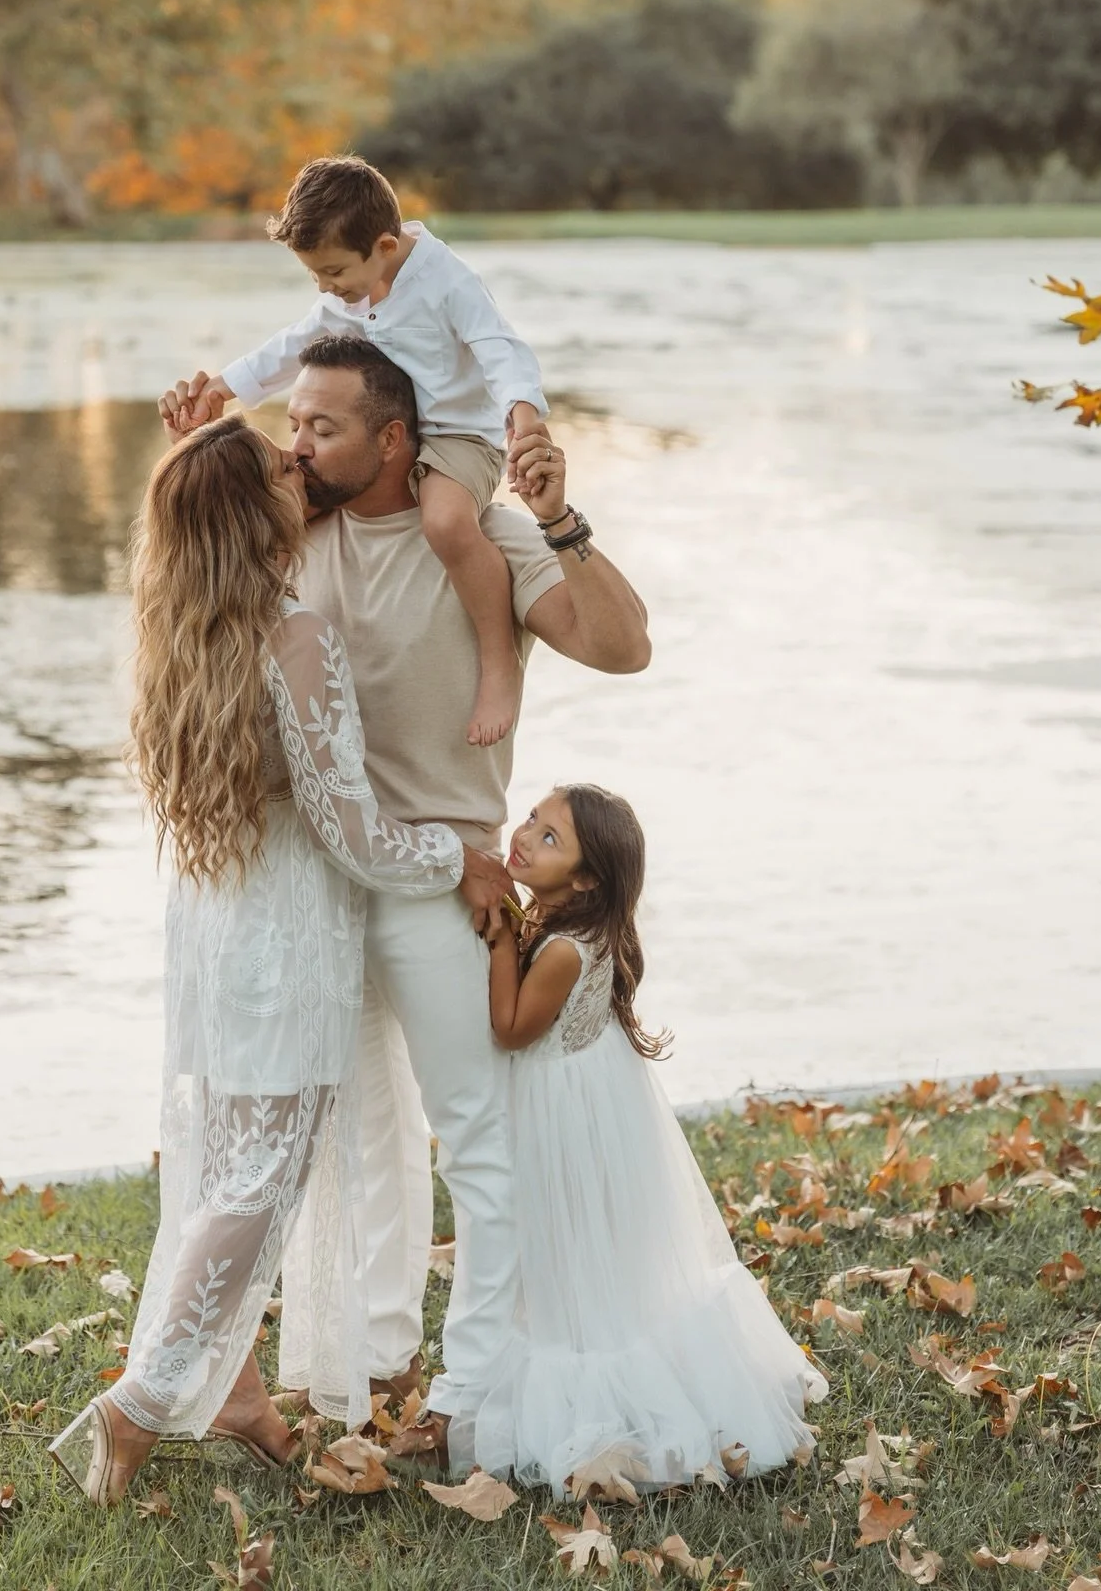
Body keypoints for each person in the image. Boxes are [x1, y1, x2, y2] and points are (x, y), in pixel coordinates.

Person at [158, 336, 652, 1471]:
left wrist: (558, 519)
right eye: (292, 423)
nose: (296, 445)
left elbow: (624, 648)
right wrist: (195, 443)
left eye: (321, 427)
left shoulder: (481, 538)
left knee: (476, 1141)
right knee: (351, 1141)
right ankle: (375, 1363)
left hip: (448, 882)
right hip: (312, 890)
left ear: (393, 438)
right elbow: (193, 554)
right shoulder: (291, 532)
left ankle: (464, 1397)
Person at [49, 417, 498, 1506]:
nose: (302, 471)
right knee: (261, 1178)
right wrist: (461, 857)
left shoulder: (177, 628)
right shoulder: (295, 635)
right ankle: (141, 1401)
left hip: (213, 922)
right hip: (287, 928)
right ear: (257, 518)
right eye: (281, 471)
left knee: (221, 1170)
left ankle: (239, 1392)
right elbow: (352, 834)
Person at [475, 784, 828, 1490]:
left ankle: (610, 1404)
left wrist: (500, 940)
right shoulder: (575, 923)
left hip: (568, 1119)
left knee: (571, 1250)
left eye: (550, 838)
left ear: (585, 879)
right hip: (595, 1101)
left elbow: (510, 1029)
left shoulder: (562, 950)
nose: (526, 834)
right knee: (593, 1253)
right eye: (534, 818)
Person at [173, 154, 552, 748]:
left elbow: (500, 349)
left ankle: (499, 662)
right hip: (385, 439)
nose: (326, 286)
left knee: (446, 522)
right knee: (285, 508)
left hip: (457, 437)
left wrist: (525, 419)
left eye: (333, 271)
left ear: (384, 245)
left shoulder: (448, 282)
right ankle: (247, 659)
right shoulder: (352, 289)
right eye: (315, 276)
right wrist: (223, 387)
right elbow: (294, 344)